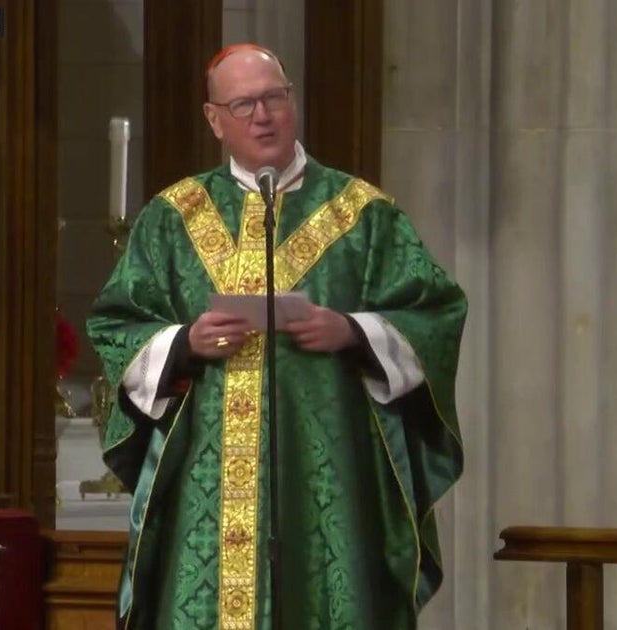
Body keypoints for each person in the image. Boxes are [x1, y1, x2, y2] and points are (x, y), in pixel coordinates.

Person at [86, 43, 468, 629]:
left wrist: (354, 331)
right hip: (203, 489)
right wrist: (185, 342)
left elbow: (435, 315)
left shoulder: (361, 214)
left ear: (292, 103)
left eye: (273, 99)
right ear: (214, 118)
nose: (262, 116)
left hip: (328, 480)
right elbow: (117, 325)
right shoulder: (173, 217)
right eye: (242, 104)